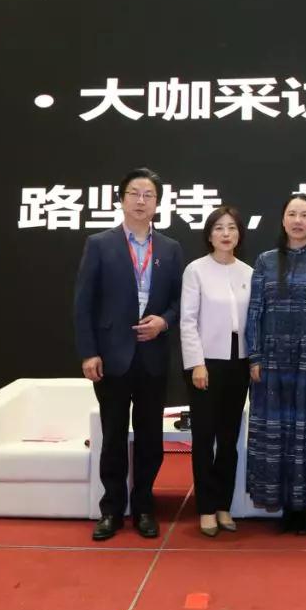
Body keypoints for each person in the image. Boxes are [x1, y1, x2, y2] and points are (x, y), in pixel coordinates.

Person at [74, 167, 183, 541]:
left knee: (151, 438)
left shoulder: (170, 248)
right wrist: (89, 352)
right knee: (114, 437)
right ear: (121, 200)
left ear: (157, 203)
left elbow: (179, 301)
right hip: (112, 357)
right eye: (134, 193)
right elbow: (83, 303)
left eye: (149, 195)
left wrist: (164, 322)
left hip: (153, 356)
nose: (141, 200)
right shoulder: (99, 244)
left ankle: (145, 508)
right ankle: (111, 510)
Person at [245, 193, 306, 535]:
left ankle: (305, 508)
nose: (298, 221)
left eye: (305, 215)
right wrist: (254, 355)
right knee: (276, 433)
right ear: (283, 220)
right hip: (271, 360)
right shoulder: (265, 261)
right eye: (292, 214)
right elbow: (254, 311)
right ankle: (282, 504)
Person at [179, 205, 253, 537]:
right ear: (209, 235)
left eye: (232, 228)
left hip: (239, 363)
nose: (226, 233)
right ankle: (206, 508)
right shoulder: (196, 270)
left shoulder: (248, 272)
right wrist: (196, 362)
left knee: (228, 438)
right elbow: (187, 321)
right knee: (204, 437)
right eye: (219, 228)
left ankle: (224, 504)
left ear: (239, 235)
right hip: (206, 364)